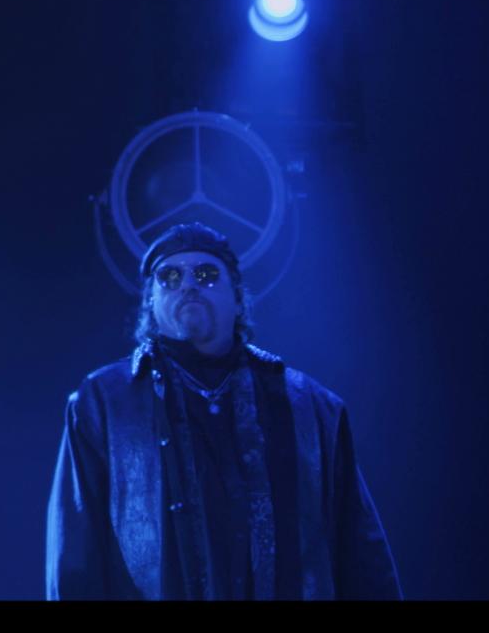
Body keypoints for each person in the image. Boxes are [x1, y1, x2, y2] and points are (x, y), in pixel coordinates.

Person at [45, 222, 401, 599]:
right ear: (150, 300)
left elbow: (360, 550)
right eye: (169, 276)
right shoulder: (102, 403)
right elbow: (76, 552)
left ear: (238, 298)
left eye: (205, 274)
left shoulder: (311, 406)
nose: (188, 285)